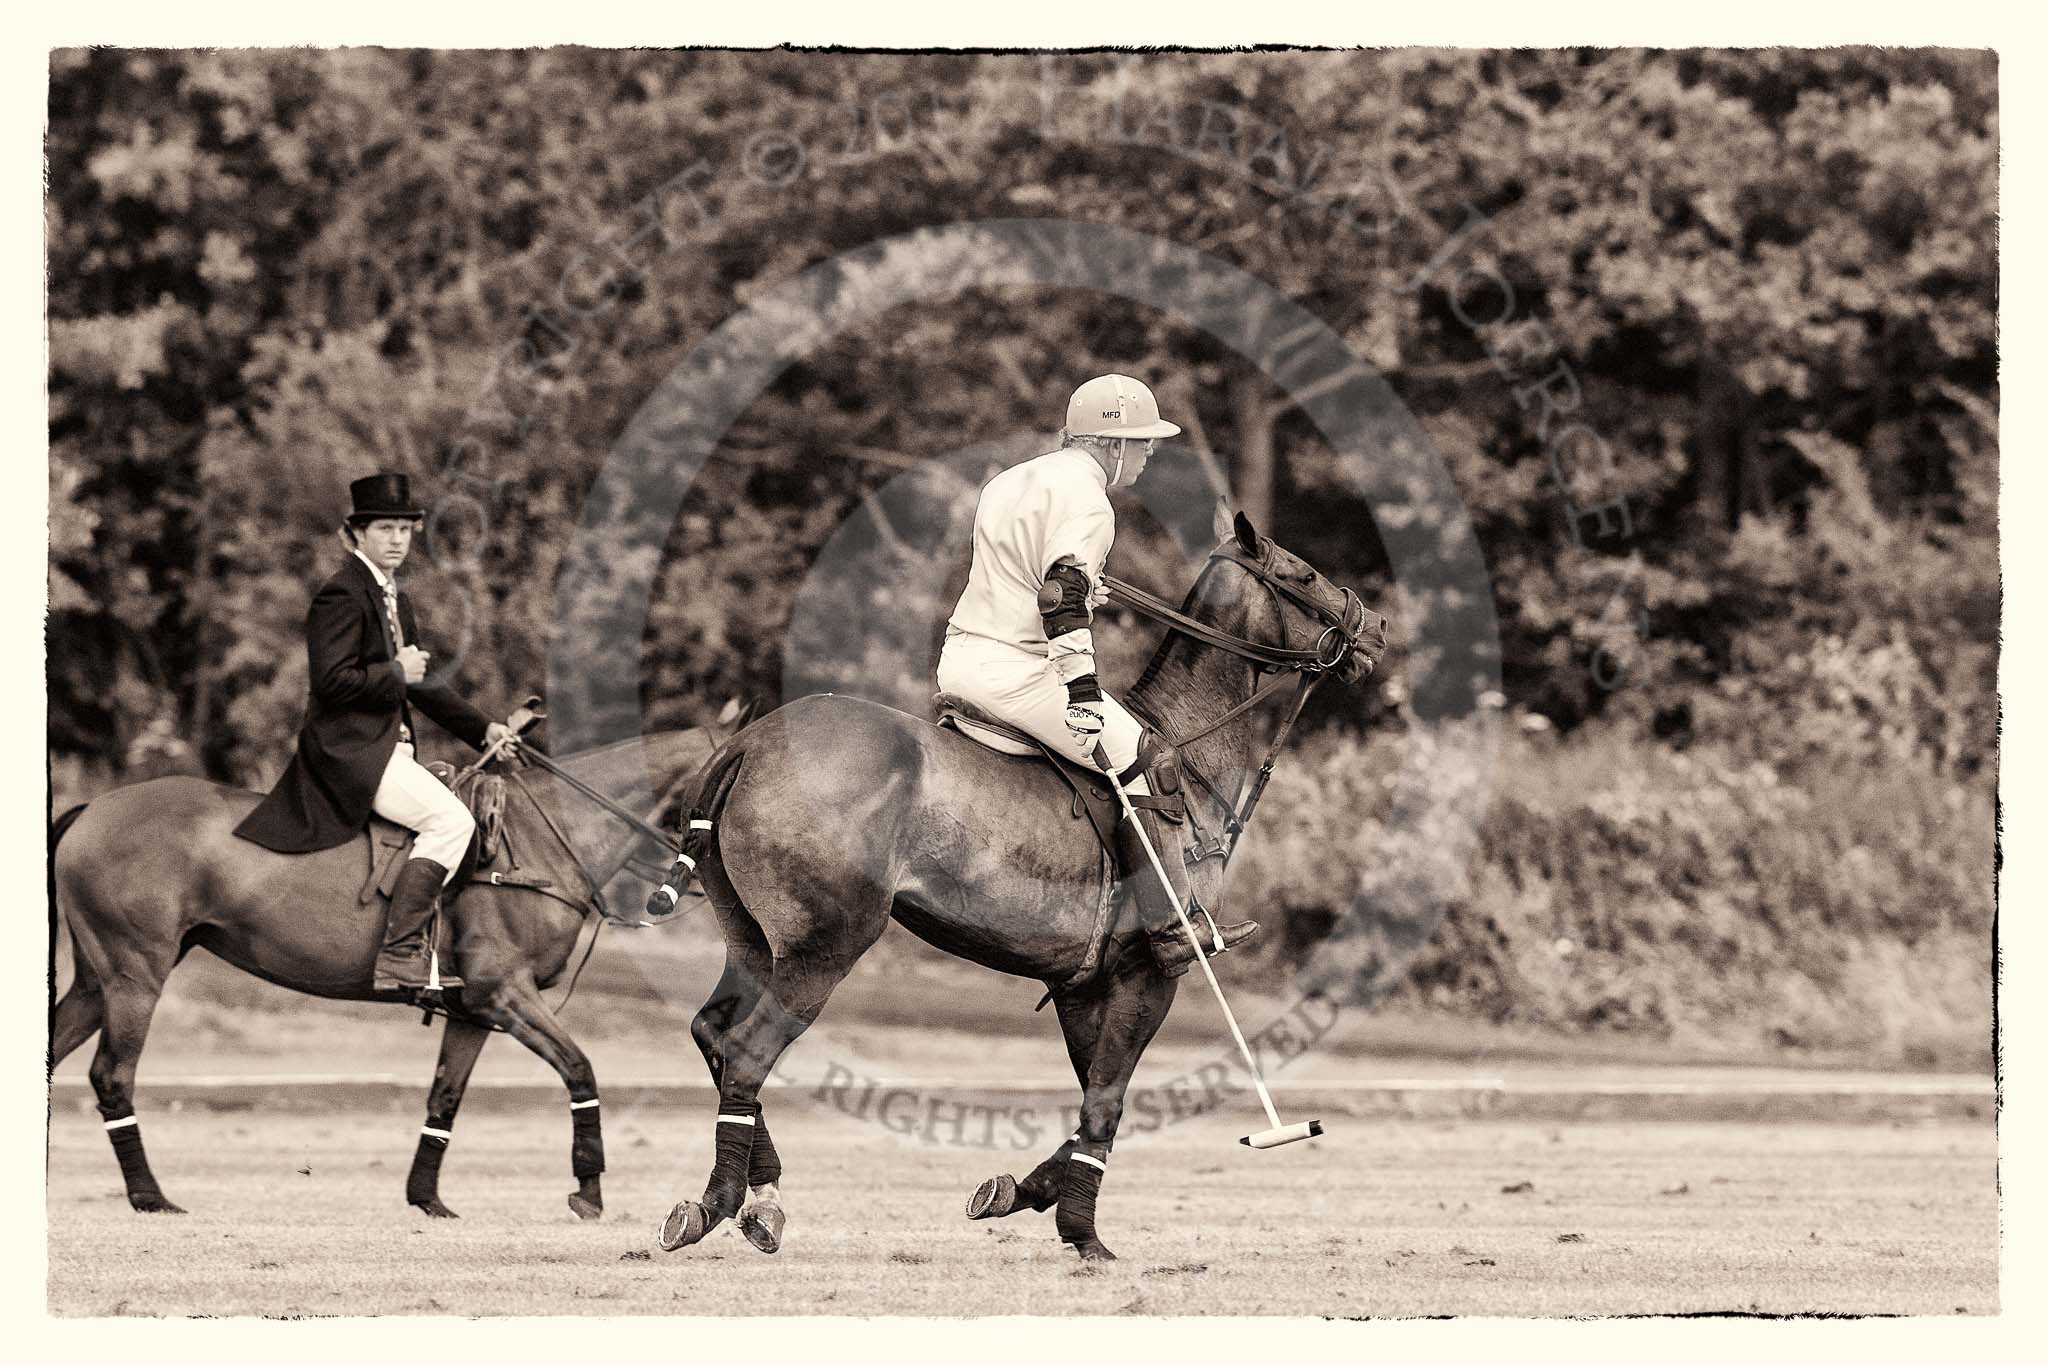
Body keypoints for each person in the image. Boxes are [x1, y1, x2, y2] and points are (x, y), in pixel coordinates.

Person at [937, 374, 1257, 978]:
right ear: (1111, 444)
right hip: (1017, 673)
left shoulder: (1011, 479)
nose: (1148, 453)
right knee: (1152, 759)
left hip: (962, 659)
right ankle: (1172, 928)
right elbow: (1059, 595)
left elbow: (1031, 576)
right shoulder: (1089, 501)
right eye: (1142, 442)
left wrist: (1086, 591)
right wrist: (1081, 692)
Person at [235, 472, 516, 998]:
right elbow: (332, 682)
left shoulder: (394, 599)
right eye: (385, 528)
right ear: (356, 534)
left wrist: (485, 730)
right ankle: (402, 954)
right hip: (348, 751)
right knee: (451, 822)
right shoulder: (341, 594)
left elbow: (423, 687)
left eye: (405, 531)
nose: (396, 540)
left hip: (387, 750)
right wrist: (396, 673)